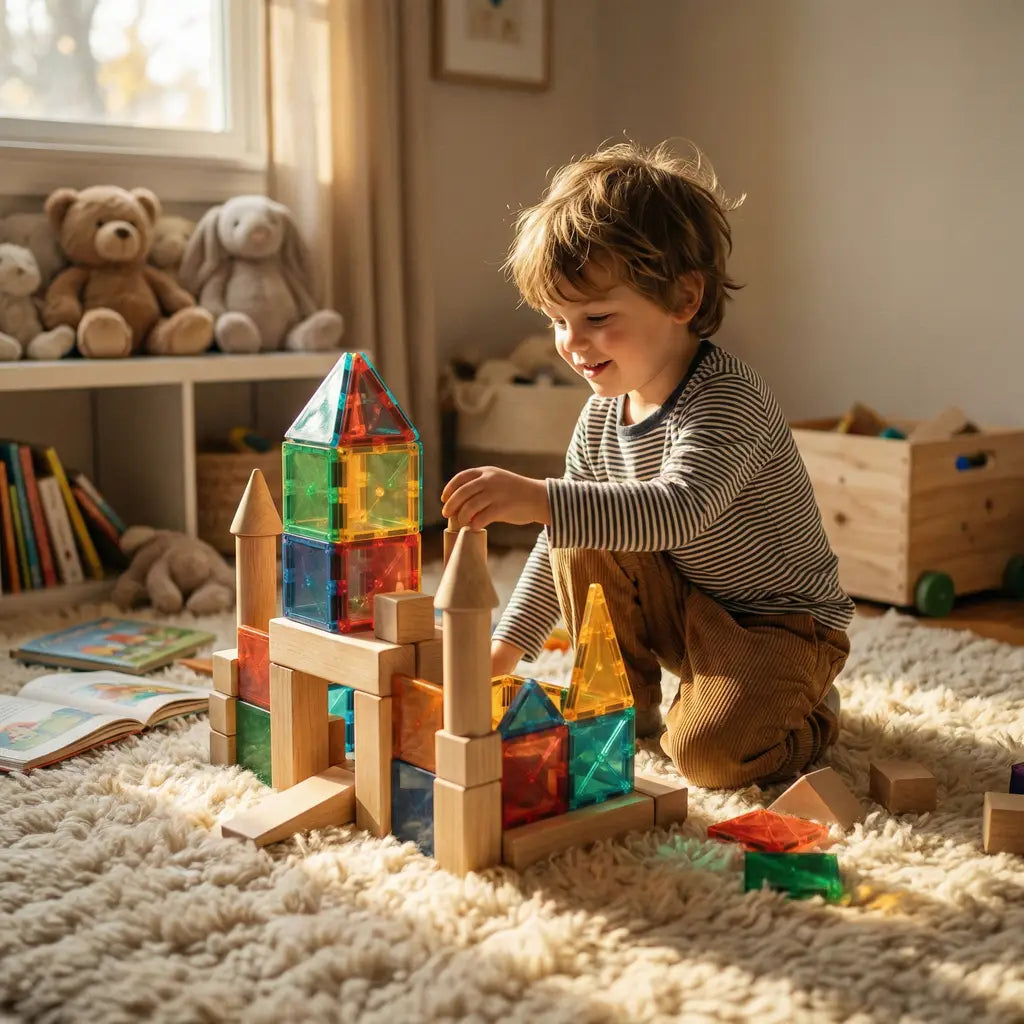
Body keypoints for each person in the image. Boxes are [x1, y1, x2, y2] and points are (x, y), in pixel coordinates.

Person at [440, 140, 854, 789]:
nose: (571, 344)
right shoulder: (605, 413)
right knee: (577, 532)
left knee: (709, 757)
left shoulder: (728, 398)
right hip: (686, 602)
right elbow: (566, 538)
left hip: (780, 625)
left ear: (684, 299)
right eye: (557, 321)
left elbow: (676, 511)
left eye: (597, 318)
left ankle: (810, 713)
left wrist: (540, 496)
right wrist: (506, 646)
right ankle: (625, 708)